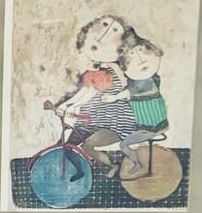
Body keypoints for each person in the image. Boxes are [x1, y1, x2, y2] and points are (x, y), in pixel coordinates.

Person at [49, 14, 138, 177]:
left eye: (114, 31)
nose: (103, 36)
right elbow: (86, 94)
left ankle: (109, 166)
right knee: (64, 146)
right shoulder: (96, 70)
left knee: (83, 146)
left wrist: (66, 106)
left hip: (112, 122)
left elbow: (88, 94)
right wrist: (66, 106)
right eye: (103, 26)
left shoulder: (109, 71)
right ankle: (80, 171)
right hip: (94, 120)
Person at [102, 37, 169, 178]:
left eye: (142, 53)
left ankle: (137, 164)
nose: (141, 60)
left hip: (152, 128)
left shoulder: (144, 81)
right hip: (150, 126)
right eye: (132, 57)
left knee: (123, 145)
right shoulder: (148, 79)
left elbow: (130, 90)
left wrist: (114, 97)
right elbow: (127, 83)